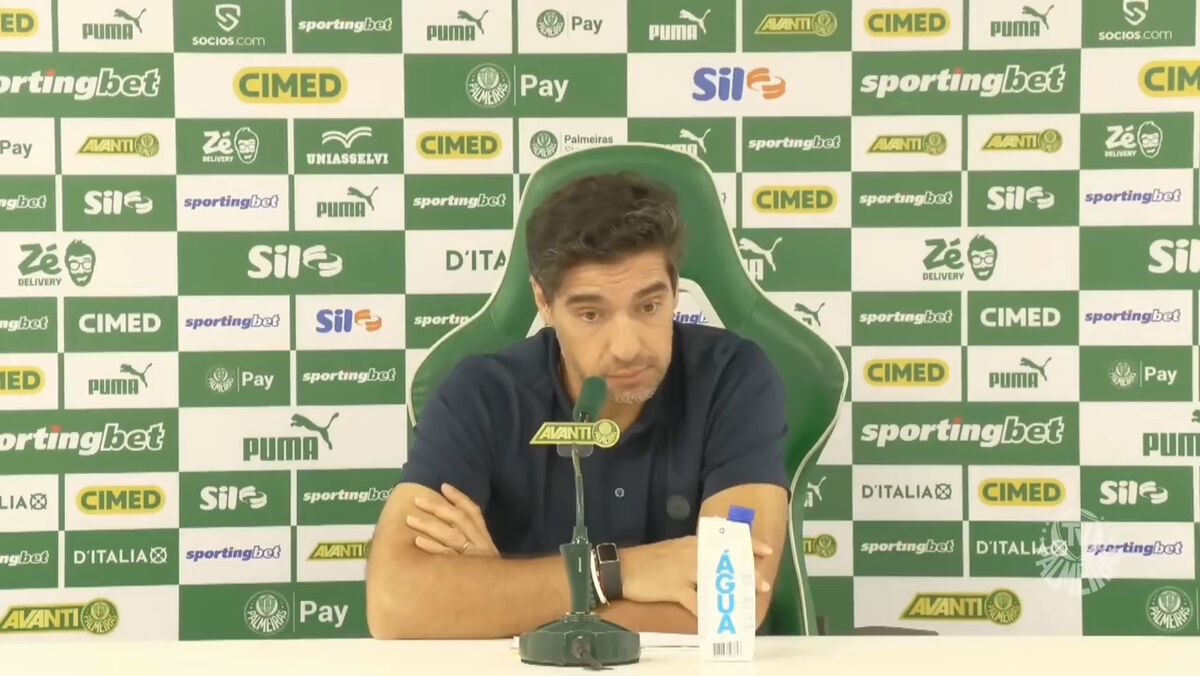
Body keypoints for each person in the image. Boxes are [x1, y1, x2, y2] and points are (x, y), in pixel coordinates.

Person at [366, 171, 789, 639]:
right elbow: (394, 604)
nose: (627, 347)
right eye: (591, 314)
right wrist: (616, 572)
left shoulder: (733, 377)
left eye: (649, 306)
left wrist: (496, 598)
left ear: (674, 288)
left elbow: (730, 606)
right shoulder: (481, 395)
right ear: (544, 302)